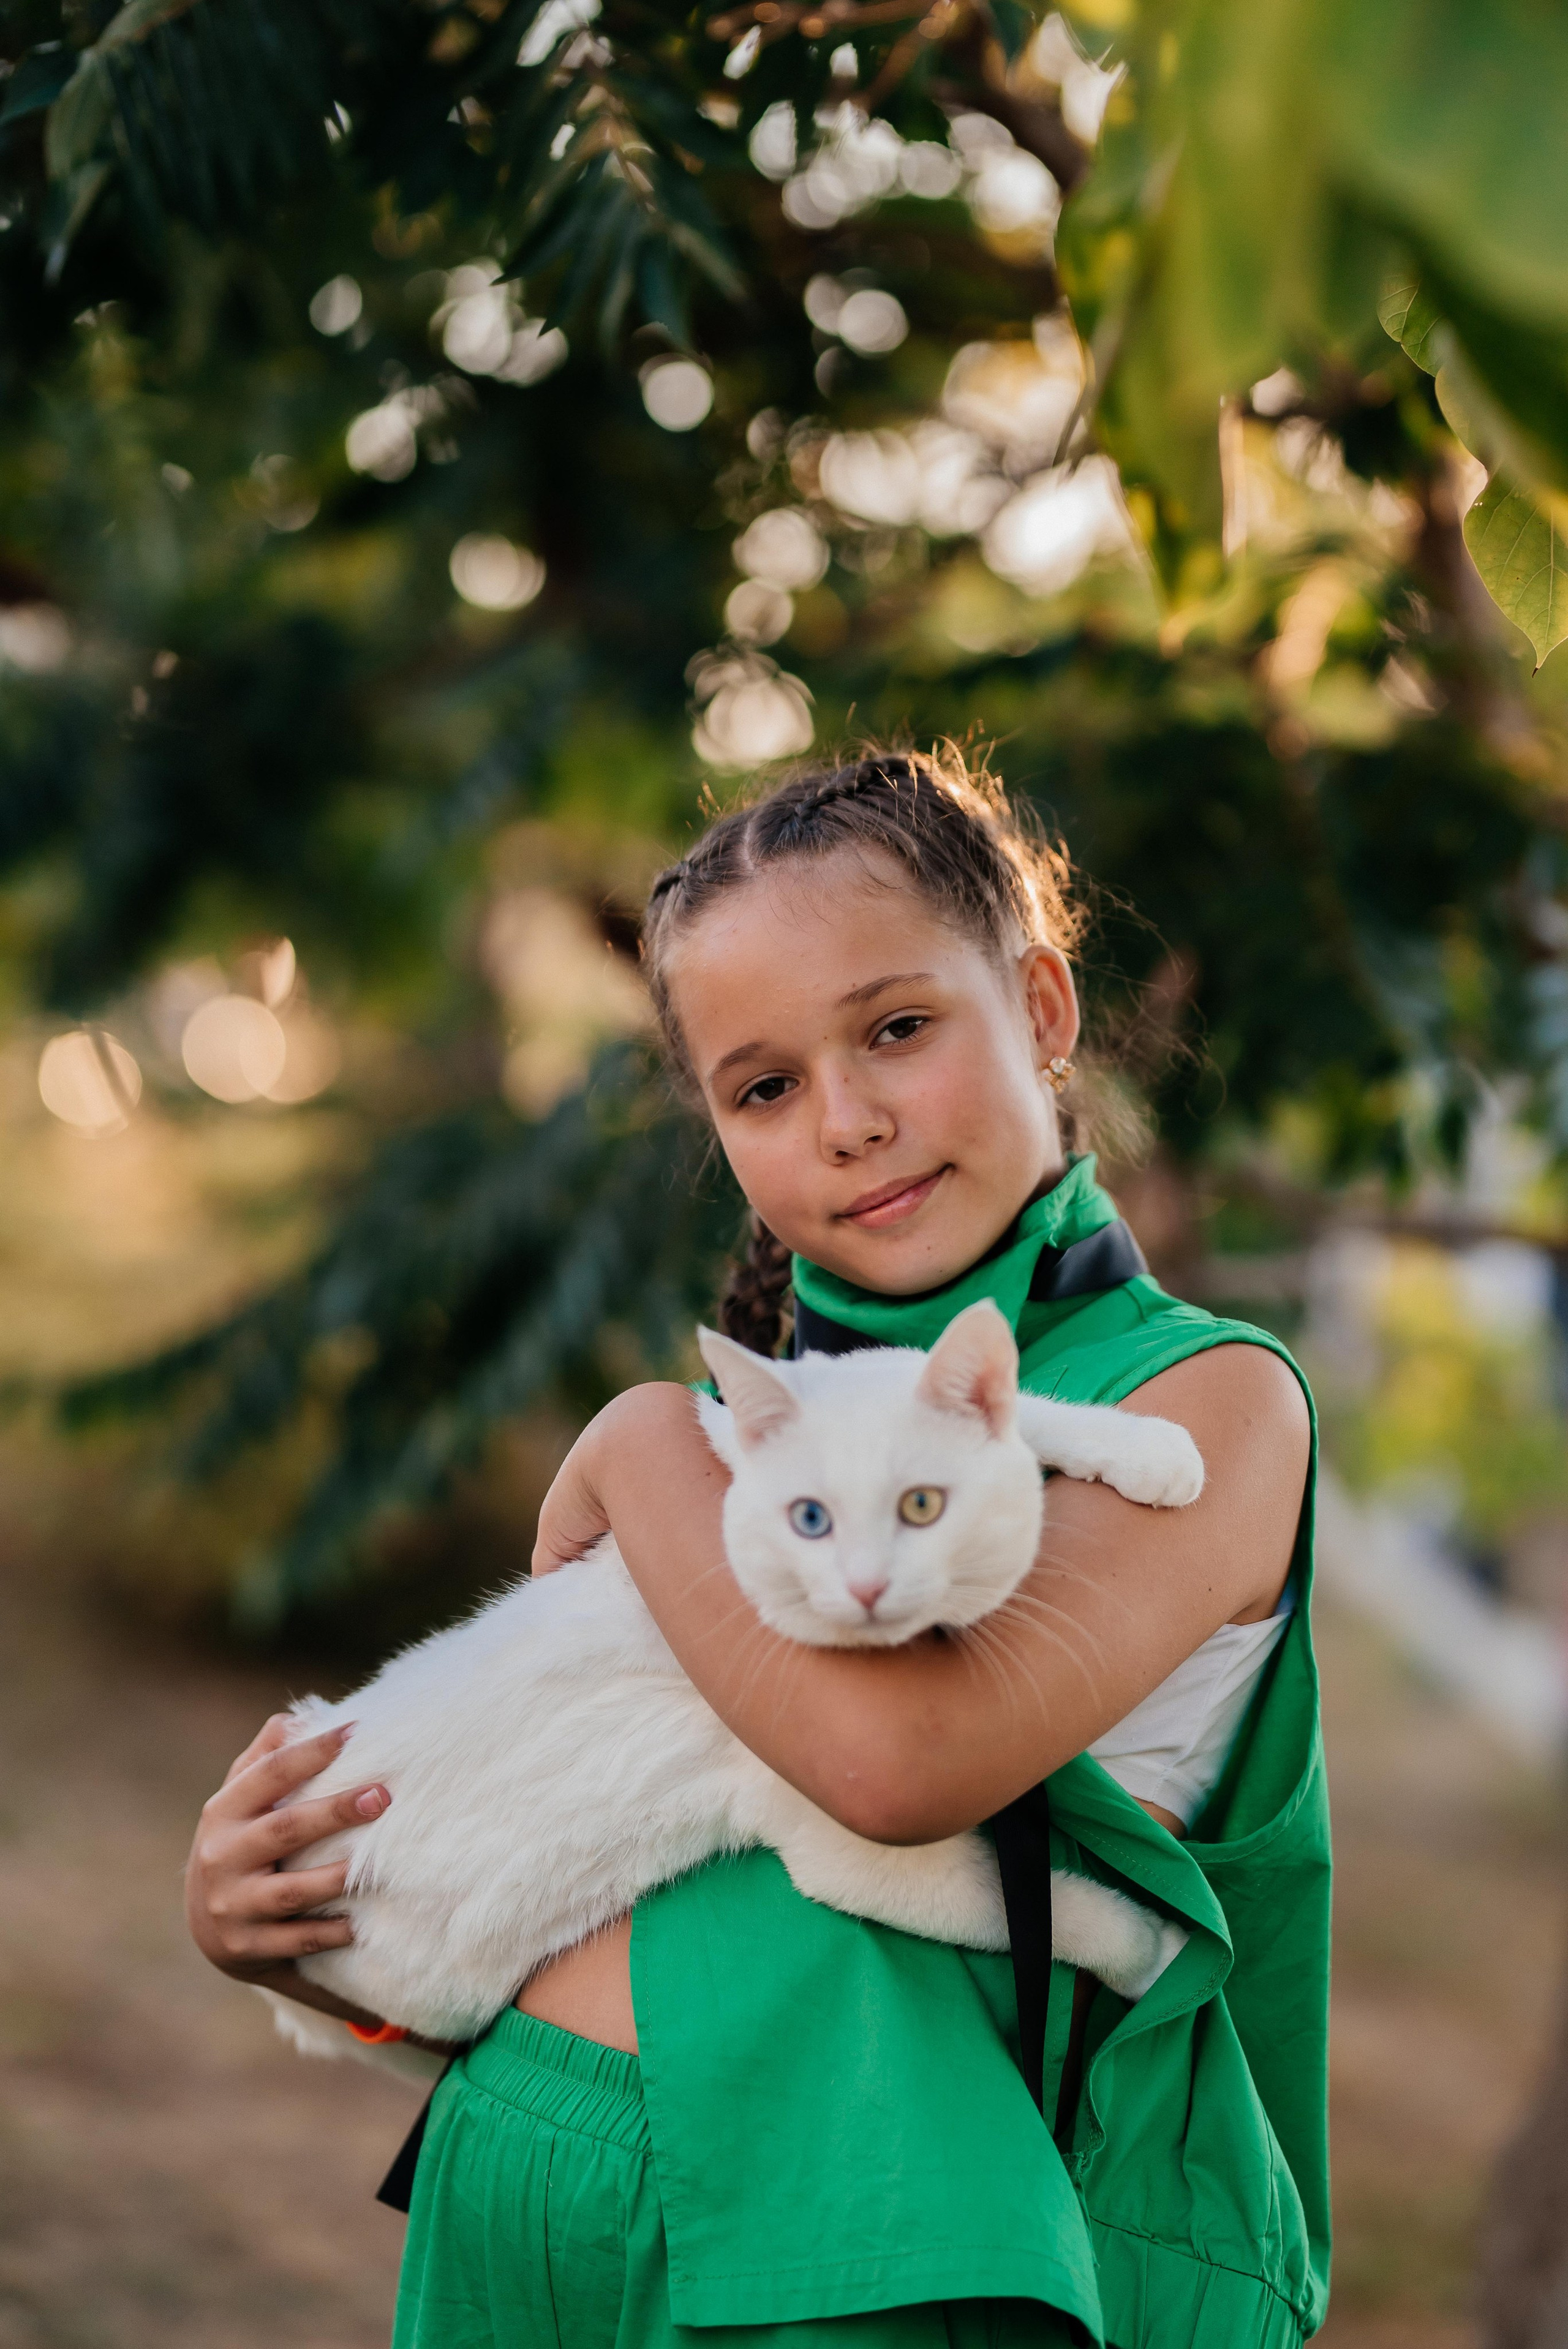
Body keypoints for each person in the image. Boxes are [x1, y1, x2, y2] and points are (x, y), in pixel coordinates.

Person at [186, 747, 1329, 2349]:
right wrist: (289, 1930)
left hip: (877, 2232)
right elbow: (573, 1819)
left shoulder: (1202, 1401)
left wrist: (646, 1444)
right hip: (531, 2159)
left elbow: (894, 1772)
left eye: (900, 1028)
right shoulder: (778, 1435)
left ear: (1045, 1010)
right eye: (765, 1085)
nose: (849, 1121)